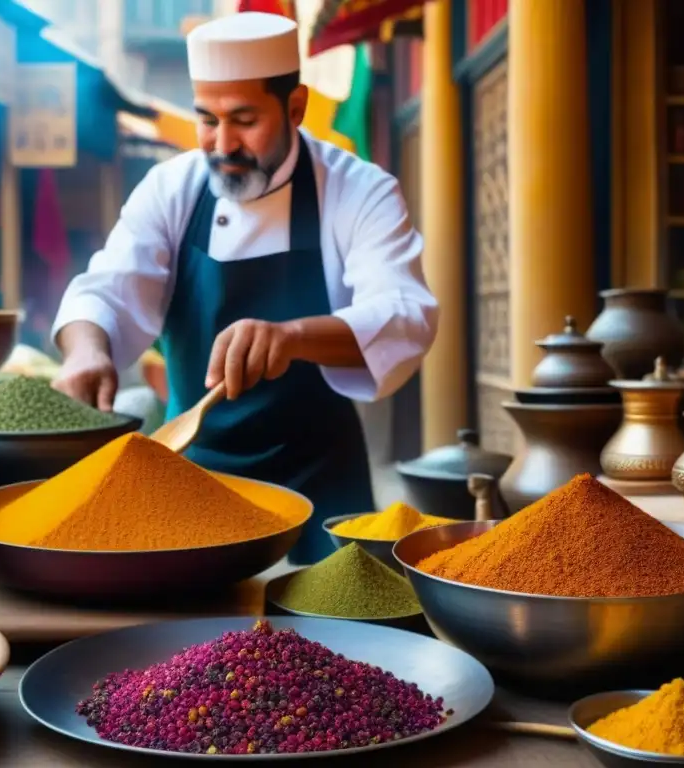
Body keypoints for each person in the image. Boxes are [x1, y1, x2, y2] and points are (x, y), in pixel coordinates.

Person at [51, 13, 439, 564]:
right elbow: (109, 286)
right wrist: (87, 350)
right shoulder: (171, 188)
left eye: (244, 120)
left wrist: (293, 336)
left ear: (296, 107)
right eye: (206, 120)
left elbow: (405, 313)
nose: (222, 143)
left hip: (320, 479)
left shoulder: (359, 190)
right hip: (191, 473)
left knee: (329, 635)